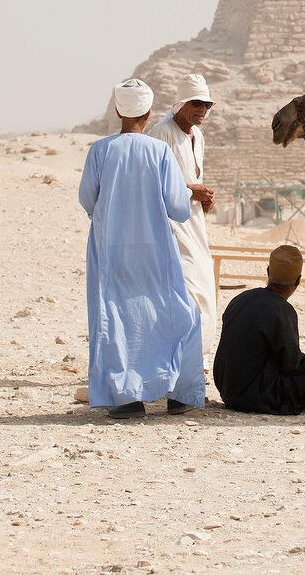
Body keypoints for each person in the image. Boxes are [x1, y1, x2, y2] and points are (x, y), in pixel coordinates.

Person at [78, 78, 205, 419]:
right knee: (178, 313)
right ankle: (179, 394)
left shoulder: (99, 151)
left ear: (119, 110)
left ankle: (125, 399)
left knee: (116, 317)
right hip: (155, 251)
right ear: (149, 112)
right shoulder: (159, 151)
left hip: (111, 251)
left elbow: (88, 201)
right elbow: (179, 208)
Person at [213, 244, 305, 415]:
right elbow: (293, 367)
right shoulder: (281, 310)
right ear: (298, 281)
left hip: (228, 391)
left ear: (269, 272)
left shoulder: (240, 299)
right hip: (256, 396)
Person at [149, 73, 217, 359]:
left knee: (204, 282)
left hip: (194, 222)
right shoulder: (161, 133)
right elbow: (151, 183)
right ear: (181, 103)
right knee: (187, 286)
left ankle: (195, 355)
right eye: (197, 103)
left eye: (208, 105)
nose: (202, 110)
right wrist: (191, 192)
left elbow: (191, 176)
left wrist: (202, 200)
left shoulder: (197, 136)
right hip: (170, 223)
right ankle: (182, 357)